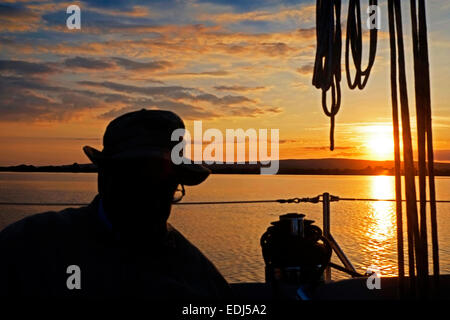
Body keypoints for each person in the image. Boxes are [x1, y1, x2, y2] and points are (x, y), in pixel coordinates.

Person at [0, 109, 232, 300]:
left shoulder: (199, 276)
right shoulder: (28, 244)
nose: (152, 201)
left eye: (166, 186)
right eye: (138, 180)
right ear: (105, 180)